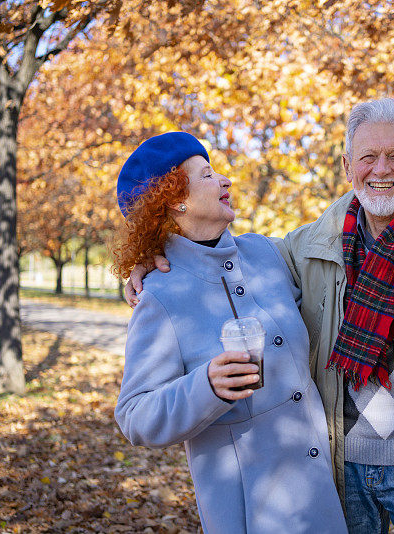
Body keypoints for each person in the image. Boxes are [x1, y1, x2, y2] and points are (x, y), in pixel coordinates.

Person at [126, 99, 394, 534]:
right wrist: (152, 256)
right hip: (338, 471)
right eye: (368, 157)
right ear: (348, 165)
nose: (382, 169)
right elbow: (211, 263)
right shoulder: (309, 246)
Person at [111, 132, 347, 534]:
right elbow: (134, 415)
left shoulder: (265, 254)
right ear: (174, 199)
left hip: (323, 491)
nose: (225, 180)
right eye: (207, 175)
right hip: (252, 514)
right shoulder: (161, 296)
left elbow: (334, 232)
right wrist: (206, 386)